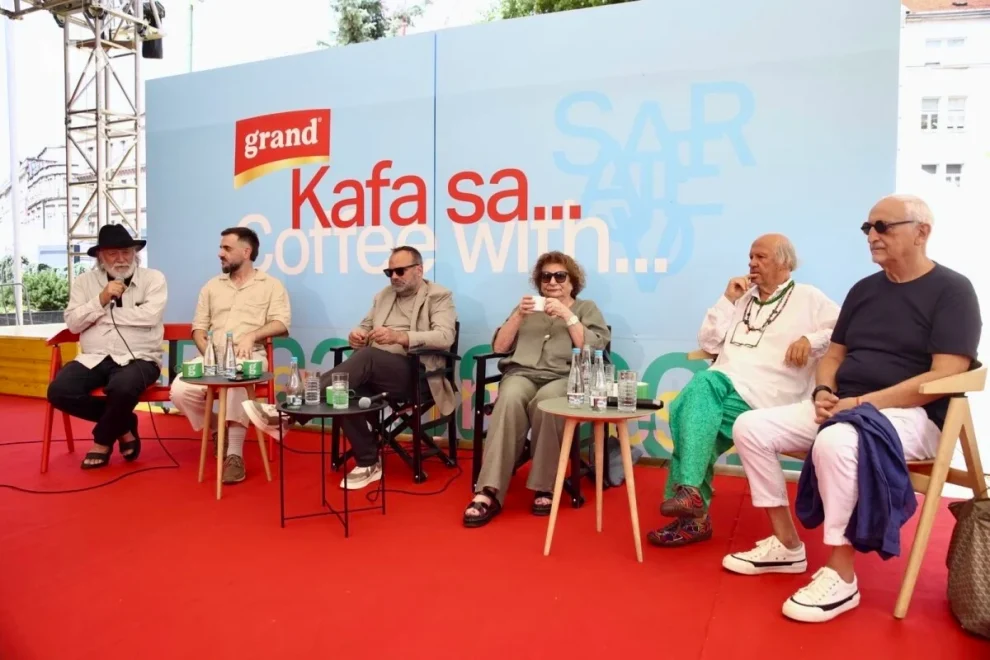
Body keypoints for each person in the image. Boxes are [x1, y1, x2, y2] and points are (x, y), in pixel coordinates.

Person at [727, 194, 981, 623]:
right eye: (868, 228)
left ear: (922, 233)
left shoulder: (953, 291)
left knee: (837, 439)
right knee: (751, 426)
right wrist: (824, 390)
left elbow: (946, 375)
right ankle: (787, 545)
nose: (872, 236)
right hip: (844, 407)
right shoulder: (864, 290)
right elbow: (834, 355)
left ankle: (841, 575)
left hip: (913, 417)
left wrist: (863, 403)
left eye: (883, 226)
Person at [647, 234, 840, 547]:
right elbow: (708, 343)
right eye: (751, 257)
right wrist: (727, 300)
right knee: (696, 403)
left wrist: (810, 340)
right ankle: (692, 500)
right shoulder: (742, 299)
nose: (752, 263)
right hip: (725, 385)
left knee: (690, 408)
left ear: (785, 263)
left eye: (761, 257)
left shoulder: (809, 297)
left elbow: (842, 332)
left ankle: (693, 512)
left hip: (770, 395)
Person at [243, 246, 457, 490]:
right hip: (376, 370)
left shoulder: (438, 296)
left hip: (417, 374)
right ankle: (368, 462)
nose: (394, 277)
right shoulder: (383, 296)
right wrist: (357, 335)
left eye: (400, 271)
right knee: (342, 388)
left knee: (366, 358)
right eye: (389, 272)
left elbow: (444, 337)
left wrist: (401, 337)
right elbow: (365, 326)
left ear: (419, 270)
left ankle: (288, 412)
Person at [463, 251, 610, 528]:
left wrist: (567, 315)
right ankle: (488, 490)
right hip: (522, 373)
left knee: (546, 402)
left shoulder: (586, 308)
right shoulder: (527, 308)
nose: (552, 282)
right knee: (509, 399)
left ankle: (545, 485)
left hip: (565, 377)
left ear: (572, 281)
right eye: (546, 276)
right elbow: (500, 347)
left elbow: (592, 347)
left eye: (560, 276)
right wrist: (519, 315)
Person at [169, 227, 291, 485]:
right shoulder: (212, 286)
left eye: (226, 248)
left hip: (250, 356)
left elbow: (281, 323)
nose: (220, 253)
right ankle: (217, 430)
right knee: (180, 390)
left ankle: (234, 455)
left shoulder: (271, 285)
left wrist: (252, 335)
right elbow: (198, 328)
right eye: (220, 248)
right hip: (214, 358)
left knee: (236, 378)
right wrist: (206, 351)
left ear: (246, 252)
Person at [48, 224, 168, 469]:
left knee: (122, 388)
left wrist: (100, 316)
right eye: (113, 253)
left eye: (126, 252)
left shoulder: (153, 279)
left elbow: (150, 317)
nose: (121, 259)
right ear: (100, 256)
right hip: (94, 357)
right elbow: (73, 324)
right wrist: (101, 299)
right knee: (59, 391)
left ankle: (102, 442)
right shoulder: (84, 282)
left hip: (141, 357)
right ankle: (123, 424)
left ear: (135, 253)